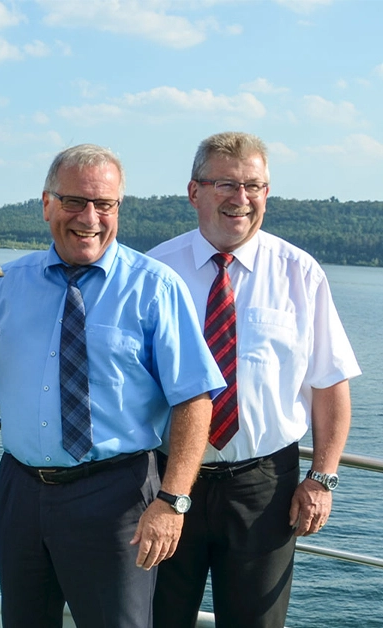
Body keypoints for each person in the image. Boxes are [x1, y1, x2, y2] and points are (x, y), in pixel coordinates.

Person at [0, 144, 225, 628]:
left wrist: (172, 502)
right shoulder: (7, 281)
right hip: (21, 493)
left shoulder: (155, 287)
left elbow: (194, 399)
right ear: (46, 205)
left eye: (105, 204)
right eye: (74, 202)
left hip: (117, 498)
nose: (90, 217)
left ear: (118, 208)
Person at [147, 132, 360, 628]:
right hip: (165, 480)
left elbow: (330, 384)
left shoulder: (300, 273)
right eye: (226, 183)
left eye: (254, 186)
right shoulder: (155, 272)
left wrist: (322, 478)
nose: (241, 199)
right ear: (193, 191)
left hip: (266, 490)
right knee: (157, 620)